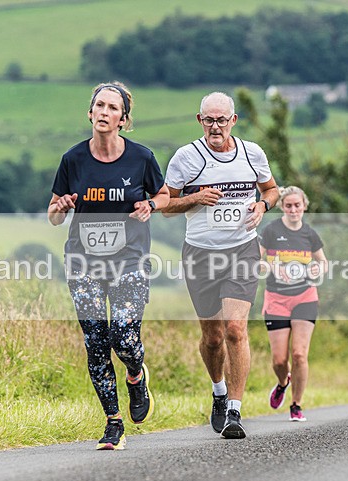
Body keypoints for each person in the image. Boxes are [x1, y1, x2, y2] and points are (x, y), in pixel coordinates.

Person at [48, 81, 170, 450]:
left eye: (112, 108)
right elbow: (53, 215)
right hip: (83, 263)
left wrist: (152, 205)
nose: (104, 112)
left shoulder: (141, 158)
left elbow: (162, 194)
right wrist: (62, 207)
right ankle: (113, 423)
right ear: (90, 113)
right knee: (96, 343)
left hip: (129, 262)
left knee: (124, 337)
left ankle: (136, 374)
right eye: (99, 106)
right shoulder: (73, 160)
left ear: (123, 119)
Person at [162, 91, 280, 439]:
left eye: (221, 119)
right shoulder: (186, 157)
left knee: (234, 329)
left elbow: (271, 189)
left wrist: (262, 206)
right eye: (209, 120)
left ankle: (235, 411)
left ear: (233, 121)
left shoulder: (252, 153)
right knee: (212, 337)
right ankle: (217, 391)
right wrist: (195, 198)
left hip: (243, 250)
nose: (216, 126)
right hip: (200, 253)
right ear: (200, 121)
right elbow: (164, 204)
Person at [259, 186, 327, 421]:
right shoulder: (270, 231)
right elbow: (255, 263)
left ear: (304, 206)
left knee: (299, 354)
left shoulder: (310, 235)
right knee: (280, 360)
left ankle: (296, 405)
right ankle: (282, 382)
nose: (293, 209)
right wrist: (271, 267)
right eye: (288, 205)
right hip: (276, 299)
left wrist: (318, 268)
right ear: (282, 207)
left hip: (305, 297)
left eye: (297, 205)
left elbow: (323, 263)